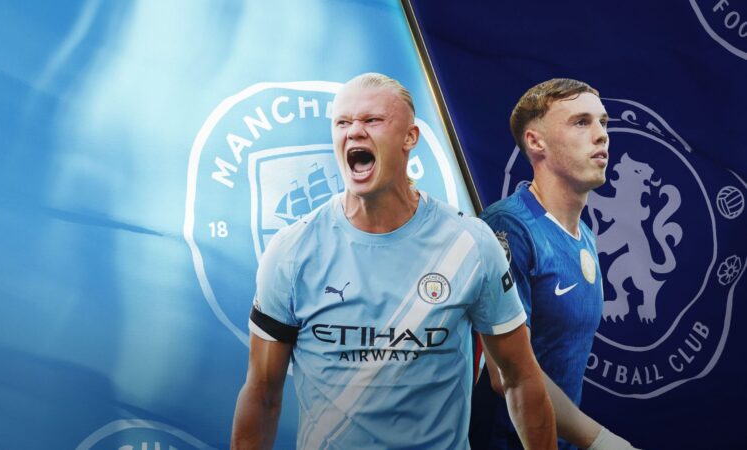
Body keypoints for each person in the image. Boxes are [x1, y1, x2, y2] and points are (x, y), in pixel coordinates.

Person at [231, 73, 556, 449]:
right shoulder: (292, 251)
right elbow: (262, 394)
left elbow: (520, 378)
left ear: (410, 137)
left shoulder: (471, 244)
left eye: (372, 120)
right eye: (343, 123)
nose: (355, 131)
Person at [469, 79, 637, 450]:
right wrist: (600, 440)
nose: (602, 135)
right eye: (581, 122)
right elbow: (505, 373)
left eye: (603, 122)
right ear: (535, 142)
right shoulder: (507, 228)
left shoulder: (585, 235)